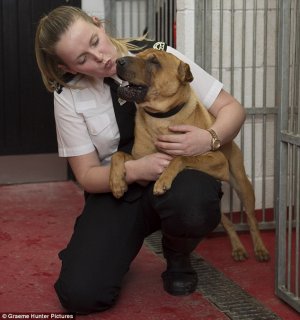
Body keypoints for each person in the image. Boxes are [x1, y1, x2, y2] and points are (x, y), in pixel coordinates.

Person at [35, 5, 246, 315]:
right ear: (66, 66)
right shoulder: (68, 96)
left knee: (194, 201)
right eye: (82, 59)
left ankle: (177, 251)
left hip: (177, 177)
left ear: (99, 24)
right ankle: (98, 248)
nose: (100, 58)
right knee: (81, 295)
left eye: (95, 41)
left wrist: (209, 137)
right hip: (119, 188)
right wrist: (136, 169)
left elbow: (233, 109)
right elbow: (87, 175)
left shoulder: (158, 57)